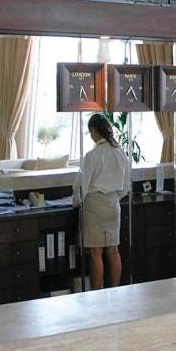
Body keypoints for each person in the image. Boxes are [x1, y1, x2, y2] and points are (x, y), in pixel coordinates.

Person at [74, 113, 129, 289]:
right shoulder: (120, 153)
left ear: (93, 130)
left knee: (95, 252)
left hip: (94, 207)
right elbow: (126, 186)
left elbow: (82, 186)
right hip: (113, 205)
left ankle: (96, 294)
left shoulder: (92, 155)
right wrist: (113, 198)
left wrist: (76, 202)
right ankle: (114, 291)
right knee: (113, 250)